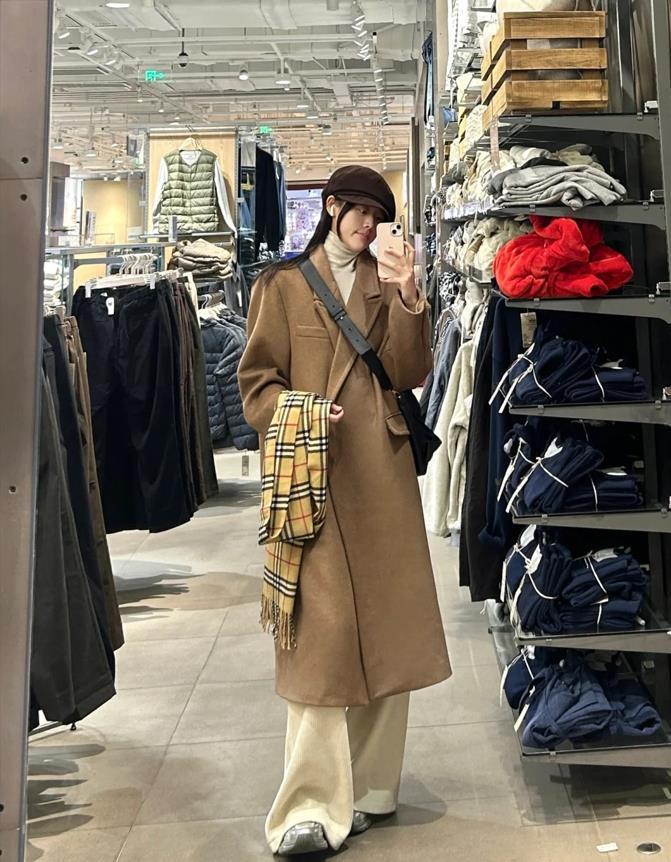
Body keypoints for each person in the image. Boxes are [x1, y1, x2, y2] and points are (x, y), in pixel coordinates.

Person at [238, 165, 451, 857]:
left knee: (387, 627)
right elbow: (255, 383)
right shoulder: (281, 284)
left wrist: (409, 293)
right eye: (358, 211)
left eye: (378, 217)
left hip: (380, 473)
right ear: (331, 207)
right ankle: (306, 805)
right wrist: (298, 410)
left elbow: (410, 373)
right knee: (317, 639)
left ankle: (371, 788)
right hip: (310, 475)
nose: (367, 225)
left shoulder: (382, 282)